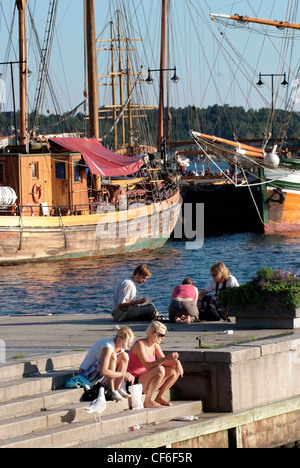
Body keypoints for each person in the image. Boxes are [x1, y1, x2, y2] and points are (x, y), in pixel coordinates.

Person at [127, 321, 184, 408]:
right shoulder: (140, 344)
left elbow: (166, 362)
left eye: (163, 335)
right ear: (152, 333)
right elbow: (147, 365)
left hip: (146, 378)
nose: (162, 338)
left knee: (174, 370)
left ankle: (159, 397)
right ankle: (148, 400)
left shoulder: (155, 345)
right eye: (160, 335)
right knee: (160, 369)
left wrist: (177, 362)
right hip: (135, 381)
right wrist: (167, 358)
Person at [79, 326, 135, 402]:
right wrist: (124, 374)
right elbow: (103, 371)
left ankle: (117, 389)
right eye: (127, 342)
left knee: (125, 356)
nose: (129, 344)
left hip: (98, 374)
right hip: (87, 375)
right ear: (119, 339)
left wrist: (123, 374)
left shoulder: (119, 348)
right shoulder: (107, 346)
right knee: (112, 356)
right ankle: (112, 390)